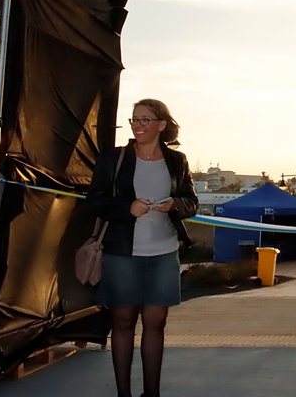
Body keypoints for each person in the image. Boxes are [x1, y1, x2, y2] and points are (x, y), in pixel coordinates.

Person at [88, 99, 199, 397]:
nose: (138, 125)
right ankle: (123, 394)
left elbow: (192, 201)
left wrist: (175, 204)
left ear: (161, 125)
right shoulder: (115, 158)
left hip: (163, 253)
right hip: (122, 253)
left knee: (156, 323)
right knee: (123, 322)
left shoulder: (177, 161)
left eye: (145, 120)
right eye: (135, 119)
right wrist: (127, 208)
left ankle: (152, 393)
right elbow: (95, 199)